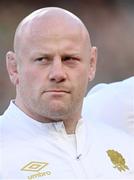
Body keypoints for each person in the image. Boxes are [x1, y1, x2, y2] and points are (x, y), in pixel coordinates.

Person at [0, 7, 134, 179]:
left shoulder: (123, 144)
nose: (58, 74)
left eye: (70, 59)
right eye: (42, 59)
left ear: (91, 64)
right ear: (13, 67)